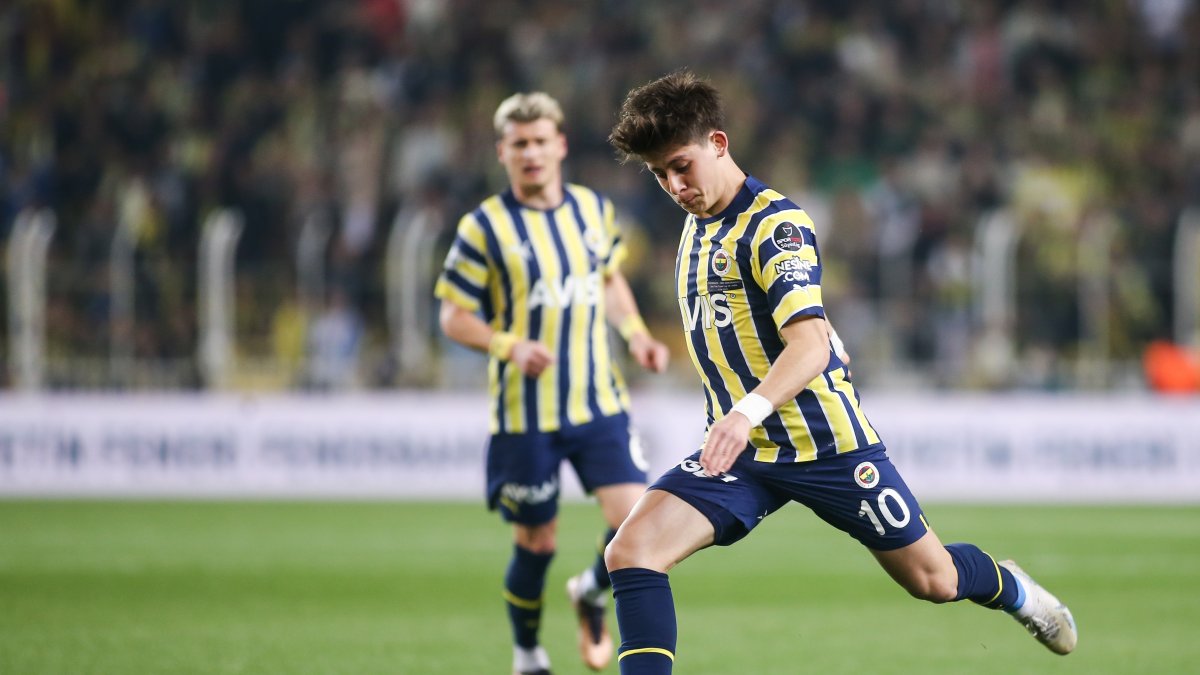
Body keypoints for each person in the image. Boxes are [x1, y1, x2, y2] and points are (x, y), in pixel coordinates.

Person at [602, 70, 1077, 674]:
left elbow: (809, 347)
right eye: (659, 174)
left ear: (718, 143)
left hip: (823, 443)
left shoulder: (776, 224)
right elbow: (791, 320)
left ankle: (1011, 588)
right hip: (744, 456)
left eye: (681, 166)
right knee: (633, 551)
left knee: (933, 579)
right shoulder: (696, 227)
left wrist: (748, 409)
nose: (674, 186)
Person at [435, 91, 670, 675]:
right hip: (525, 414)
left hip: (598, 402)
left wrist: (636, 331)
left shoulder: (593, 210)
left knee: (633, 520)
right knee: (536, 543)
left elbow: (610, 278)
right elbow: (453, 314)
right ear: (503, 153)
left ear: (560, 145)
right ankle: (528, 654)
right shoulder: (483, 227)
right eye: (520, 144)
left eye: (541, 141)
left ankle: (591, 590)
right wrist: (507, 345)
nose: (532, 153)